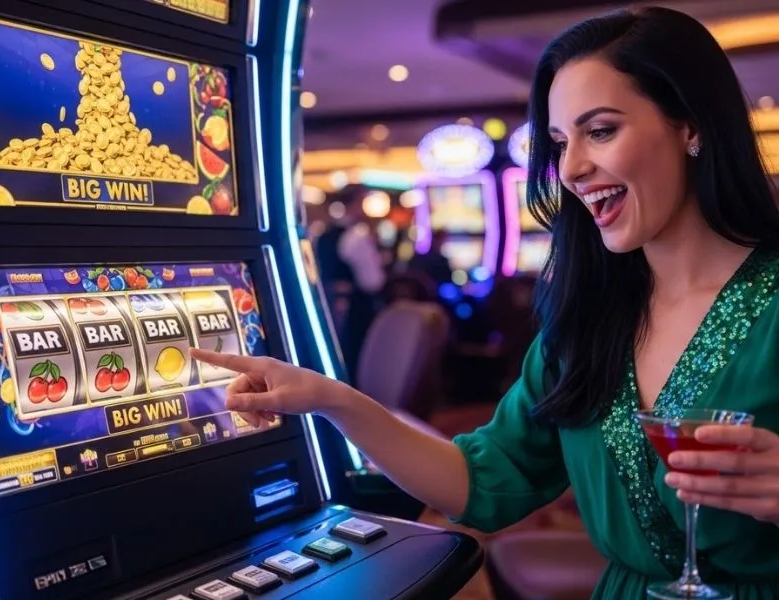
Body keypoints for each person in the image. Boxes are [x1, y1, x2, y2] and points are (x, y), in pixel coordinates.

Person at [192, 7, 779, 598]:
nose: (571, 168)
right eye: (559, 142)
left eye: (600, 131)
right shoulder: (591, 314)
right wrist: (331, 399)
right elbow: (484, 481)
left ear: (691, 125)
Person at [315, 184, 386, 379]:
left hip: (325, 306)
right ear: (354, 204)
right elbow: (373, 282)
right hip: (355, 311)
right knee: (358, 363)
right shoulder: (357, 236)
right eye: (364, 202)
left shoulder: (322, 234)